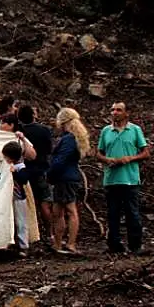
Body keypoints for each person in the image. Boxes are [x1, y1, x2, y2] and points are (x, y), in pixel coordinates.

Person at [97, 102, 150, 255]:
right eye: (112, 110)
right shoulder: (106, 131)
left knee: (132, 213)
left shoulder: (135, 130)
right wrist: (107, 160)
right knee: (112, 214)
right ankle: (114, 245)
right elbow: (99, 153)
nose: (115, 112)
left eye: (119, 110)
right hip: (111, 179)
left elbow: (146, 153)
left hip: (130, 179)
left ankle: (135, 246)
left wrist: (130, 158)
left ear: (126, 113)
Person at [47, 107, 90, 255]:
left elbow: (60, 161)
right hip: (69, 177)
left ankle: (69, 243)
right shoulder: (74, 138)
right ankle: (60, 243)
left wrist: (50, 174)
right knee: (58, 211)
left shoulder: (68, 140)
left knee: (67, 210)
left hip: (64, 178)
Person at [17, 104, 55, 244]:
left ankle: (30, 234)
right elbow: (49, 149)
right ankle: (49, 234)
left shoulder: (19, 132)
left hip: (24, 172)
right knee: (44, 203)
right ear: (33, 115)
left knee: (25, 204)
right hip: (41, 170)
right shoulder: (44, 130)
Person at [2, 140, 32, 257]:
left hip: (18, 197)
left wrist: (14, 173)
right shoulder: (7, 166)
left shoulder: (20, 167)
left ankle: (23, 246)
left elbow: (24, 180)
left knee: (21, 221)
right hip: (7, 198)